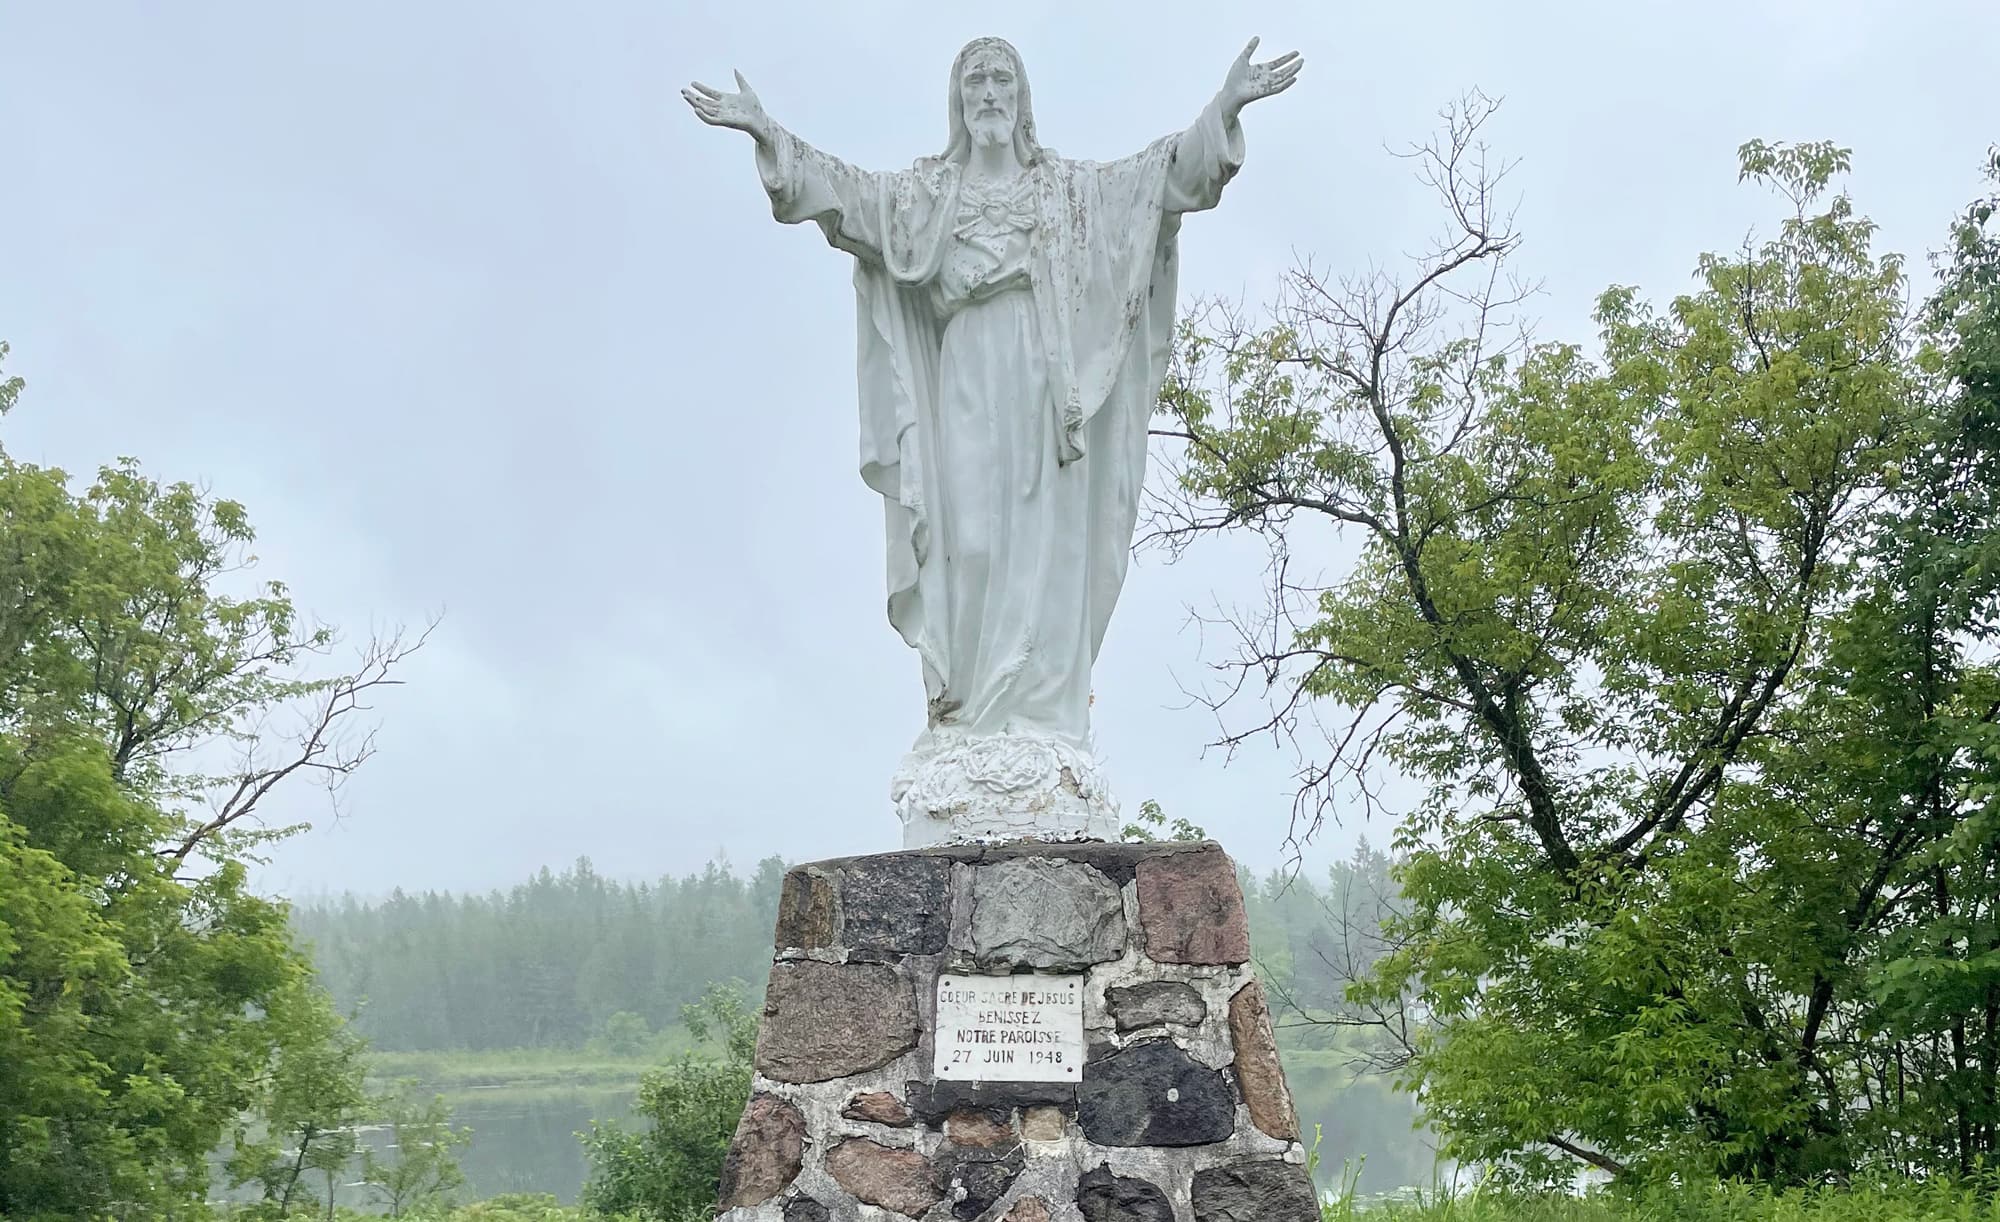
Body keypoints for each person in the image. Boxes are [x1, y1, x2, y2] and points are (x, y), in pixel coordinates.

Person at [682, 36, 1302, 844]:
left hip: (1044, 386)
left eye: (1002, 77)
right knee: (968, 544)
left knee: (1043, 546)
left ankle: (1042, 724)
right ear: (956, 99)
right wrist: (772, 135)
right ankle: (970, 718)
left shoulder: (1067, 190)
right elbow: (849, 202)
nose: (988, 91)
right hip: (966, 377)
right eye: (974, 79)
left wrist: (1222, 111)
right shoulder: (928, 193)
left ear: (1023, 97)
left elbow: (1159, 182)